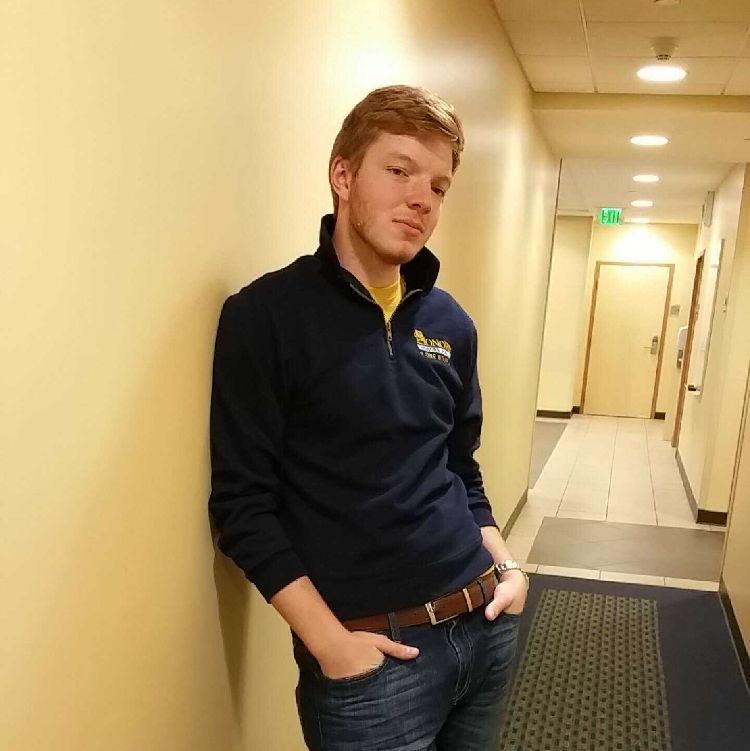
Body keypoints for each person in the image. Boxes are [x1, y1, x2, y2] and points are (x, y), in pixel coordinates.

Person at [208, 84, 528, 751]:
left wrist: (507, 566)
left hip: (485, 624)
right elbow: (242, 507)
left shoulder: (451, 324)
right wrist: (330, 644)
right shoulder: (266, 317)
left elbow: (459, 467)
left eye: (438, 186)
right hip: (376, 663)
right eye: (400, 170)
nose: (422, 199)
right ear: (344, 176)